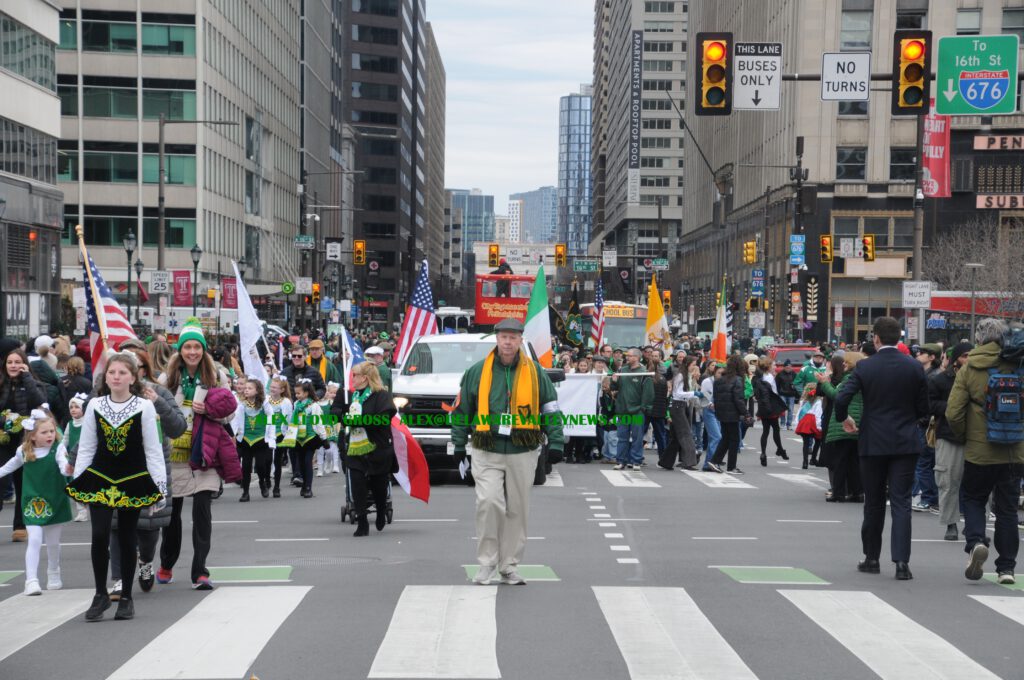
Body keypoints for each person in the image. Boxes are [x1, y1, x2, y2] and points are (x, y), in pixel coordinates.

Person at [450, 318, 564, 584]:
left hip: (523, 449)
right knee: (488, 503)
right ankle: (487, 563)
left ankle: (509, 566)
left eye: (513, 337)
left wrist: (557, 441)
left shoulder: (536, 373)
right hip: (486, 447)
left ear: (521, 340)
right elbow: (462, 410)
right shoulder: (477, 372)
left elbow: (550, 408)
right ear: (497, 339)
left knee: (517, 509)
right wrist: (458, 444)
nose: (508, 342)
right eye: (504, 337)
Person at [67, 352, 167, 621]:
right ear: (106, 377)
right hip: (100, 477)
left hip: (132, 478)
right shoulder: (95, 405)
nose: (116, 377)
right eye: (112, 372)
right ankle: (100, 594)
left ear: (133, 377)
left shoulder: (144, 407)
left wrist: (159, 488)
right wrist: (79, 483)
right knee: (99, 535)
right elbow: (87, 447)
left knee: (127, 536)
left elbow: (153, 449)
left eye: (123, 372)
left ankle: (126, 598)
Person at [834, 316, 929, 581]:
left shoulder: (866, 367)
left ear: (875, 338)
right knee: (901, 502)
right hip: (905, 441)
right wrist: (912, 421)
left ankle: (871, 557)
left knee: (874, 501)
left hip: (873, 440)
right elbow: (924, 407)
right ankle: (902, 562)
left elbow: (842, 397)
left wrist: (845, 418)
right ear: (899, 338)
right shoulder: (914, 367)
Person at [945, 319, 1024, 585]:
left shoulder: (970, 367)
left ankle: (977, 541)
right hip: (1014, 451)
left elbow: (953, 413)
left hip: (979, 451)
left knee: (974, 499)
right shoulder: (1019, 364)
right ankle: (1006, 568)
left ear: (978, 339)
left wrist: (965, 437)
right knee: (1007, 509)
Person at [156, 318, 230, 590]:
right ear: (180, 349)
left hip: (204, 452)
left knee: (202, 513)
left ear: (203, 349)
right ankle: (167, 562)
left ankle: (200, 571)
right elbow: (156, 414)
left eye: (197, 347)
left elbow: (229, 411)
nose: (192, 352)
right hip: (175, 453)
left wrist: (209, 410)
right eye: (187, 347)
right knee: (172, 515)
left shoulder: (217, 376)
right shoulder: (167, 378)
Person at [107, 345, 185, 599]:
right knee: (116, 526)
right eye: (115, 370)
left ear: (141, 370)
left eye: (131, 367)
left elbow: (178, 427)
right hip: (118, 470)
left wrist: (158, 403)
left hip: (151, 469)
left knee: (148, 530)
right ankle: (119, 580)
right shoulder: (107, 396)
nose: (122, 375)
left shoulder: (157, 391)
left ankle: (146, 561)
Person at [0, 408, 72, 595]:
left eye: (52, 431)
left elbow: (63, 465)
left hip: (55, 500)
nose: (50, 435)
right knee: (34, 539)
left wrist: (68, 469)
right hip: (32, 501)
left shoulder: (58, 448)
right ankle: (31, 580)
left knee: (53, 543)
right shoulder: (23, 451)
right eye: (44, 432)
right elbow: (10, 465)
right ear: (32, 436)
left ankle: (53, 571)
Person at [331, 362, 396, 536]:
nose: (352, 378)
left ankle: (381, 510)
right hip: (355, 447)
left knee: (379, 485)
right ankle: (362, 521)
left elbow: (383, 419)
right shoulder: (348, 395)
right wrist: (339, 414)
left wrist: (356, 420)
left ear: (365, 378)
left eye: (355, 375)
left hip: (377, 447)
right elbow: (335, 411)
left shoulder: (382, 395)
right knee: (357, 484)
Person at [0, 347, 48, 542]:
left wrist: (27, 378)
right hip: (3, 439)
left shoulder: (33, 383)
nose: (13, 366)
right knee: (2, 478)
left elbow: (40, 402)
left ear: (25, 365)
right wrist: (5, 421)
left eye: (17, 362)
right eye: (10, 362)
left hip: (25, 440)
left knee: (22, 483)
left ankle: (20, 526)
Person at [929, 342, 972, 541]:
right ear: (956, 359)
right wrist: (953, 407)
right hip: (948, 435)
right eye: (965, 355)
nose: (968, 359)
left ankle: (973, 523)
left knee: (977, 483)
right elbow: (929, 404)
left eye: (971, 355)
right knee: (947, 482)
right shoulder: (940, 380)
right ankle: (950, 523)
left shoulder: (978, 377)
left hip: (974, 436)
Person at [815, 352, 865, 502]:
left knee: (840, 460)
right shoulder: (864, 377)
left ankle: (838, 493)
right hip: (860, 420)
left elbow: (837, 395)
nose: (843, 364)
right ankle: (857, 492)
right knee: (854, 460)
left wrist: (824, 382)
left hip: (846, 422)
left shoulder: (849, 378)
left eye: (846, 362)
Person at [232, 378, 276, 501]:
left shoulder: (264, 404)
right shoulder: (241, 405)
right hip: (246, 439)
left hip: (260, 440)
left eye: (249, 388)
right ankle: (245, 492)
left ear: (257, 391)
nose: (246, 390)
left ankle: (262, 482)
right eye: (245, 388)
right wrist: (233, 435)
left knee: (261, 465)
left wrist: (271, 437)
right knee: (246, 467)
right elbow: (236, 421)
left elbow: (271, 418)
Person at [613, 348, 653, 471]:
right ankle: (621, 461)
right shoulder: (622, 370)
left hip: (637, 411)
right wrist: (614, 381)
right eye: (627, 356)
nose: (627, 357)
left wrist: (643, 408)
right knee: (622, 437)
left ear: (637, 357)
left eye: (630, 356)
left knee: (637, 438)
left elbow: (648, 394)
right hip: (622, 410)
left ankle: (636, 461)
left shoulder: (644, 373)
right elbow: (615, 388)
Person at [710, 355, 748, 474]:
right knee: (734, 440)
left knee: (726, 438)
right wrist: (746, 413)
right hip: (732, 413)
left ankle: (715, 461)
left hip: (721, 413)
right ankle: (731, 467)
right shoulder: (737, 379)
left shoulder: (719, 380)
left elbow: (716, 397)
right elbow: (739, 399)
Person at [290, 378, 327, 498]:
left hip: (310, 438)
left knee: (307, 462)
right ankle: (304, 484)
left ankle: (308, 487)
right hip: (298, 438)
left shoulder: (314, 406)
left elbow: (318, 422)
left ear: (306, 393)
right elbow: (292, 419)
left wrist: (324, 437)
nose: (296, 395)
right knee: (300, 463)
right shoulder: (296, 404)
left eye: (299, 393)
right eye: (295, 393)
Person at [661, 352, 699, 470]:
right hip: (677, 406)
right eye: (693, 364)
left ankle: (665, 462)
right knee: (686, 434)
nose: (695, 367)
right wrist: (693, 393)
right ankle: (689, 462)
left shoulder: (686, 375)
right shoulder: (681, 376)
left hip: (681, 406)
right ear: (687, 364)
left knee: (677, 437)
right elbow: (677, 393)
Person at [753, 356, 788, 466]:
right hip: (771, 406)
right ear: (768, 366)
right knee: (776, 429)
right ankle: (780, 449)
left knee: (766, 431)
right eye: (773, 365)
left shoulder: (760, 377)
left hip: (763, 406)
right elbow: (771, 393)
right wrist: (771, 408)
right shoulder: (768, 377)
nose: (775, 366)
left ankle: (764, 453)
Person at [267, 376, 294, 497]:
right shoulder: (266, 400)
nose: (272, 389)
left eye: (275, 387)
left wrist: (288, 436)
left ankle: (276, 487)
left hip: (279, 434)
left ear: (282, 390)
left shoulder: (286, 402)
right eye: (271, 387)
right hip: (268, 433)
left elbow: (288, 419)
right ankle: (267, 479)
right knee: (267, 460)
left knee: (277, 461)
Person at [700, 362, 724, 472]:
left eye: (723, 373)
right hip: (709, 411)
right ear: (714, 372)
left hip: (719, 412)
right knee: (717, 437)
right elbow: (703, 396)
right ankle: (713, 462)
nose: (721, 375)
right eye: (719, 373)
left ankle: (707, 464)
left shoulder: (723, 382)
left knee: (714, 438)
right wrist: (710, 404)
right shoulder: (707, 381)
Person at [317, 382, 341, 476]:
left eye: (327, 391)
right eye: (325, 391)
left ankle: (333, 464)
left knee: (332, 448)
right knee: (320, 450)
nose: (326, 393)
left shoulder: (331, 402)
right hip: (320, 428)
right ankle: (320, 469)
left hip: (330, 427)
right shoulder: (316, 404)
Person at [776, 360, 798, 429]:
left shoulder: (794, 374)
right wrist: (778, 392)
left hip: (791, 394)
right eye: (787, 367)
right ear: (784, 367)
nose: (789, 368)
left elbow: (797, 383)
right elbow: (776, 384)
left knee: (790, 409)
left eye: (790, 367)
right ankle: (782, 423)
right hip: (782, 394)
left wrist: (794, 387)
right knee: (782, 409)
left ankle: (789, 424)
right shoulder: (780, 374)